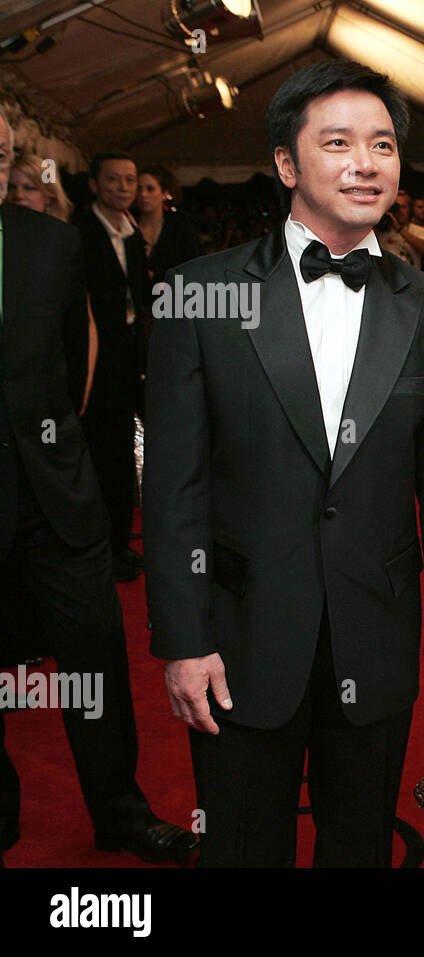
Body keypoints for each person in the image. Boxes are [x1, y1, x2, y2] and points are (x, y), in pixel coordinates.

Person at [144, 59, 424, 867]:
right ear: (288, 165)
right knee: (241, 840)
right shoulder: (199, 294)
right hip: (241, 632)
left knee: (358, 841)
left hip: (377, 624)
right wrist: (183, 640)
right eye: (338, 143)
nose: (366, 163)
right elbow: (174, 485)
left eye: (383, 145)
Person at [0, 112, 197, 867]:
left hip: (59, 500)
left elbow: (75, 359)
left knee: (94, 667)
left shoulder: (49, 242)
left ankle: (121, 813)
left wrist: (58, 449)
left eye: (7, 151)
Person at [75, 151, 150, 582]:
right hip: (95, 354)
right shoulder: (81, 232)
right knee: (102, 453)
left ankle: (120, 543)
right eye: (114, 180)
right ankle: (101, 549)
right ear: (94, 184)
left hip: (129, 354)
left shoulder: (132, 233)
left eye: (130, 180)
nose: (123, 188)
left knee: (122, 453)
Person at [5, 151, 96, 415]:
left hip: (47, 387)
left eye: (30, 187)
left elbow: (83, 324)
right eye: (11, 186)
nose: (19, 195)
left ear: (49, 196)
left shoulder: (63, 245)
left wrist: (80, 393)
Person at [135, 165, 201, 350]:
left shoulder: (180, 231)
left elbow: (191, 273)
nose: (143, 195)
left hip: (171, 313)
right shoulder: (127, 227)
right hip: (136, 314)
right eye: (139, 189)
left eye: (150, 189)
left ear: (164, 193)